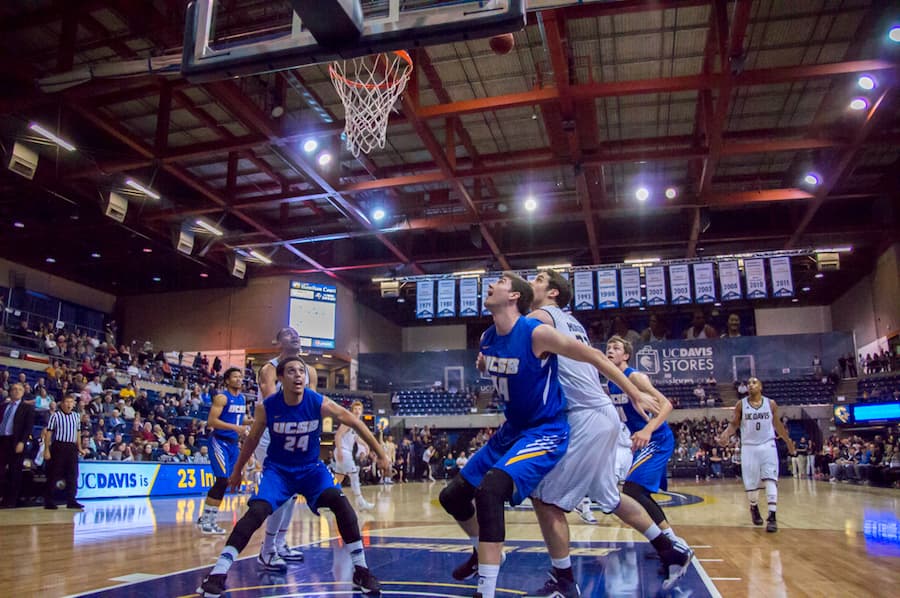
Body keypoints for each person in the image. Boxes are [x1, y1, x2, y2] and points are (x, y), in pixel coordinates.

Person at [522, 272, 692, 597]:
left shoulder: (540, 317)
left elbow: (513, 345)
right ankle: (671, 550)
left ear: (553, 292)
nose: (531, 280)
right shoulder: (572, 323)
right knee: (610, 497)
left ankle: (563, 583)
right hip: (602, 415)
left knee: (543, 497)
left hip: (585, 417)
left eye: (539, 278)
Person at [196, 357, 388, 597]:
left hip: (311, 469)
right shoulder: (267, 407)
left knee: (340, 503)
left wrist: (381, 454)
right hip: (279, 471)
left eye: (301, 371)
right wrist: (236, 471)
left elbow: (356, 423)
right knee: (256, 511)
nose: (298, 375)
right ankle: (218, 572)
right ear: (280, 378)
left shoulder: (318, 401)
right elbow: (252, 439)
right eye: (291, 371)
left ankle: (361, 570)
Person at [253, 326, 319, 566]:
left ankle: (279, 543)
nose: (295, 336)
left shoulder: (309, 371)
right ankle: (267, 549)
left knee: (292, 493)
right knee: (283, 489)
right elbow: (273, 404)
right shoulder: (269, 369)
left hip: (296, 433)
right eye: (288, 334)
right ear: (278, 342)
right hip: (271, 435)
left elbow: (311, 405)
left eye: (297, 333)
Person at [718, 378, 795, 532]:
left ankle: (772, 516)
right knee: (751, 485)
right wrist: (726, 434)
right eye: (749, 383)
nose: (750, 385)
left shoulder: (770, 404)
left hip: (768, 444)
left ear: (761, 386)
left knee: (770, 478)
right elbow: (734, 424)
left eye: (754, 383)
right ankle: (754, 506)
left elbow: (777, 424)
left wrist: (788, 441)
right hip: (749, 447)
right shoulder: (741, 405)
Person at [198, 367, 247, 535]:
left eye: (240, 377)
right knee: (222, 480)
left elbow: (239, 418)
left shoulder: (242, 398)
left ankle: (207, 518)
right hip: (219, 441)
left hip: (233, 444)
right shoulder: (222, 398)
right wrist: (235, 427)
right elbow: (212, 421)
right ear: (227, 380)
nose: (239, 379)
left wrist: (251, 421)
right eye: (235, 377)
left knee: (226, 482)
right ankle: (207, 520)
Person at [42, 394, 84, 509]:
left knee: (73, 474)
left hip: (71, 447)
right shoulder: (56, 416)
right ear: (62, 404)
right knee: (54, 473)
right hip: (59, 446)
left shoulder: (76, 416)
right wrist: (46, 449)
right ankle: (49, 500)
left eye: (71, 402)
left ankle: (71, 500)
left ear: (73, 404)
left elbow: (78, 432)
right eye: (67, 402)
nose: (69, 404)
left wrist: (79, 447)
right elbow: (49, 433)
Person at [333, 401, 375, 508]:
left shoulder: (355, 424)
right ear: (352, 410)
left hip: (344, 451)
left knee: (338, 478)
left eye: (359, 409)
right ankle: (361, 502)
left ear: (362, 411)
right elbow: (337, 435)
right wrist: (339, 450)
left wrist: (365, 445)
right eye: (355, 409)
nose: (357, 411)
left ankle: (328, 500)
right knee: (354, 474)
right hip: (343, 451)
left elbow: (355, 438)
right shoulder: (348, 421)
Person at [0, 383, 35, 508]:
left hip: (15, 441)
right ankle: (2, 496)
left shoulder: (27, 408)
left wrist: (22, 442)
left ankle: (11, 500)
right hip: (2, 440)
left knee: (14, 472)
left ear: (23, 392)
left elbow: (28, 427)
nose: (17, 391)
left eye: (19, 389)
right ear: (10, 391)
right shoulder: (3, 406)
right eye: (14, 389)